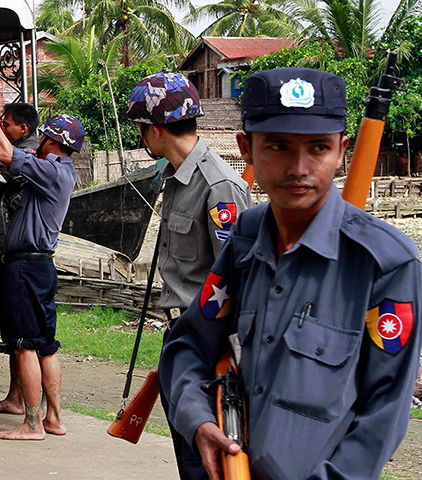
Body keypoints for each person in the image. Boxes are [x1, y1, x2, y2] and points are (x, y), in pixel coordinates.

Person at [160, 68, 422, 480]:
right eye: (278, 146)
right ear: (246, 148)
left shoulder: (385, 263)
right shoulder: (245, 238)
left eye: (318, 147)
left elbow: (383, 413)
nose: (298, 168)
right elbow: (190, 344)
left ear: (341, 151)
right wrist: (198, 420)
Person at [122, 71, 251, 479]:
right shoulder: (177, 179)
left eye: (142, 128)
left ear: (157, 130)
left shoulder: (219, 186)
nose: (141, 137)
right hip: (181, 336)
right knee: (187, 453)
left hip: (210, 343)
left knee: (208, 461)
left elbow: (238, 282)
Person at [0, 103, 81, 440]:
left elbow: (6, 154)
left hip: (26, 265)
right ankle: (53, 418)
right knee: (45, 344)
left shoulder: (50, 170)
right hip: (41, 265)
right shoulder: (62, 171)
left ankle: (33, 424)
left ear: (51, 140)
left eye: (43, 137)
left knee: (25, 346)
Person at [0, 102, 40, 416]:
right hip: (12, 254)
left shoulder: (27, 157)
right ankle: (15, 397)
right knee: (15, 335)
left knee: (24, 338)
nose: (2, 127)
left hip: (21, 256)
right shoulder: (22, 151)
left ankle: (35, 413)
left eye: (6, 123)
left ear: (23, 130)